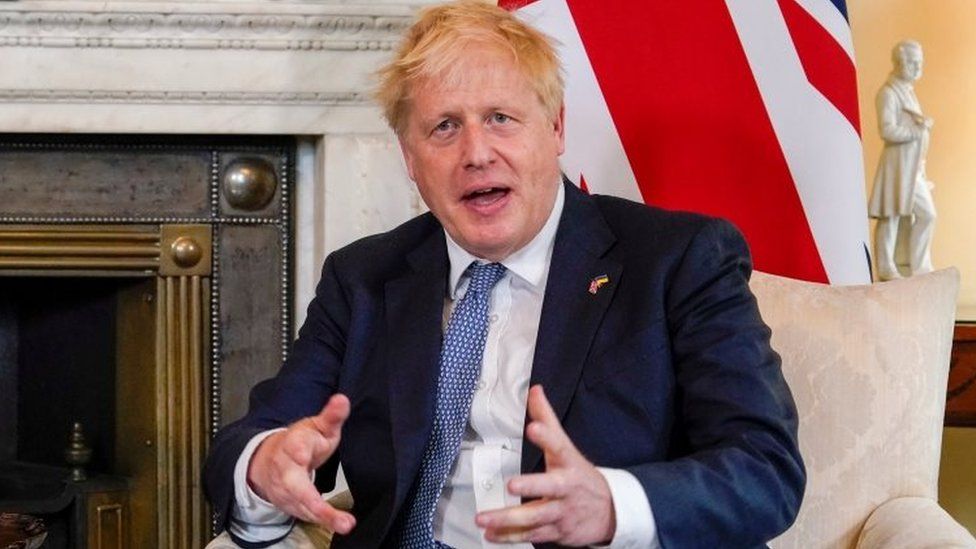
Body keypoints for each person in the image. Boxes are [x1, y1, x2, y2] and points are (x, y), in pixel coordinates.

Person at [203, 2, 804, 547]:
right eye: (444, 127)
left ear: (556, 127)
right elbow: (256, 438)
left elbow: (764, 469)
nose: (476, 153)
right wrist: (266, 465)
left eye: (500, 118)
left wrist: (612, 507)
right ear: (410, 159)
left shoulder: (677, 260)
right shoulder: (362, 277)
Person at [868, 40, 936, 281]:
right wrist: (916, 132)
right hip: (897, 167)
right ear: (898, 62)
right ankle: (886, 267)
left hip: (913, 169)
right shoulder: (888, 93)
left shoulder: (908, 91)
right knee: (891, 215)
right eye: (912, 62)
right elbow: (887, 130)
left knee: (927, 214)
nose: (917, 68)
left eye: (920, 63)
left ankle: (918, 266)